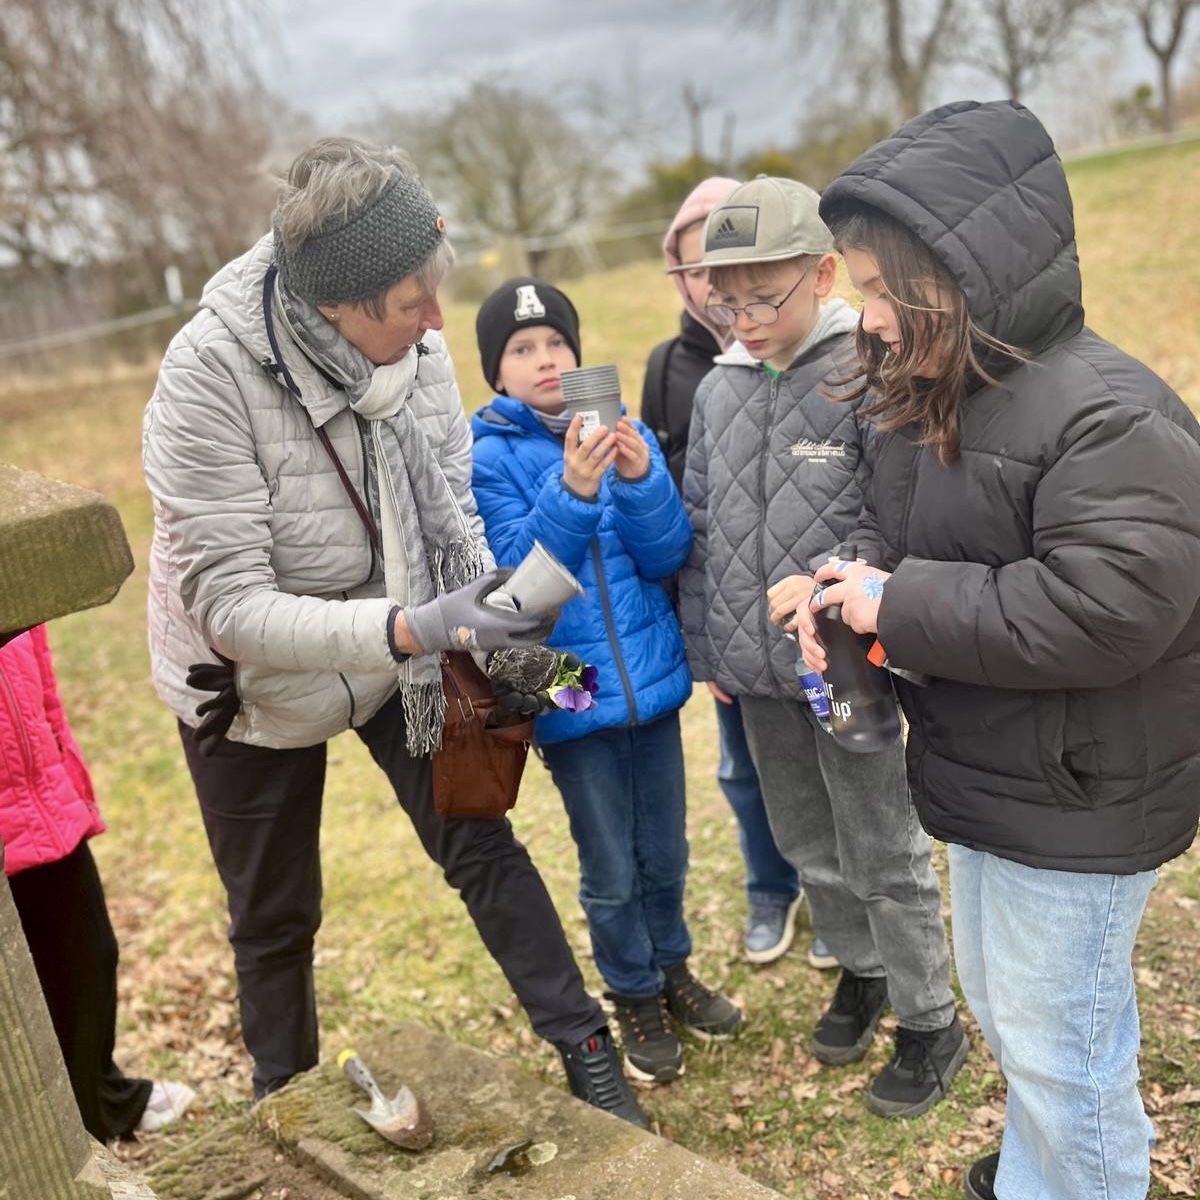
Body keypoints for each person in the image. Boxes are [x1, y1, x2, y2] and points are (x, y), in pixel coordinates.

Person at [141, 137, 647, 1127]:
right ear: (341, 302)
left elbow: (454, 516)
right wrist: (410, 626)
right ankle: (283, 1105)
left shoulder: (414, 355)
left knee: (479, 840)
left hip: (402, 651)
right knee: (273, 913)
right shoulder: (205, 377)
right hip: (247, 685)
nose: (437, 320)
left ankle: (588, 1051)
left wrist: (498, 631)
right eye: (414, 301)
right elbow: (230, 606)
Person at [794, 98, 1200, 1200]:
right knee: (1017, 1019)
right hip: (988, 773)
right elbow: (893, 532)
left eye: (883, 290)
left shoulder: (1110, 416)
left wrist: (897, 603)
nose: (870, 319)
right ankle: (1035, 1178)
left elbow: (1109, 608)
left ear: (963, 271)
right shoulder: (938, 393)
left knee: (1065, 1055)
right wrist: (844, 586)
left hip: (1078, 790)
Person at [678, 176, 966, 1120]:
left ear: (823, 275)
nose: (748, 321)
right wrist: (710, 649)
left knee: (881, 843)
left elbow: (900, 517)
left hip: (846, 666)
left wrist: (839, 589)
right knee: (806, 839)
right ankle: (862, 969)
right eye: (729, 303)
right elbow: (701, 526)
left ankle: (930, 1018)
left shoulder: (866, 370)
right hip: (755, 671)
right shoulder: (718, 389)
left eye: (767, 298)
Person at [470, 276, 743, 1087]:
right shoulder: (490, 457)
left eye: (557, 343)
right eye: (523, 349)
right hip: (566, 683)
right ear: (496, 372)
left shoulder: (626, 431)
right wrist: (575, 489)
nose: (545, 359)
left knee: (665, 850)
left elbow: (666, 555)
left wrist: (641, 479)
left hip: (650, 682)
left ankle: (672, 969)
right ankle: (632, 993)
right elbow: (519, 580)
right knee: (611, 866)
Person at [643, 176, 835, 970]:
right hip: (732, 618)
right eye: (694, 273)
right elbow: (681, 493)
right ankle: (771, 886)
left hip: (813, 620)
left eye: (718, 270)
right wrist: (706, 638)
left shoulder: (824, 359)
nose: (710, 291)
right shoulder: (678, 368)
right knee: (747, 768)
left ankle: (840, 907)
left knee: (837, 773)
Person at [0, 625, 195, 1141]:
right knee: (22, 994)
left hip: (43, 804)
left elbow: (45, 694)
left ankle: (97, 1102)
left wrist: (66, 780)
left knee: (91, 959)